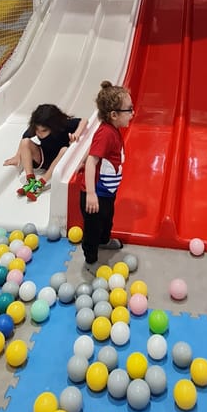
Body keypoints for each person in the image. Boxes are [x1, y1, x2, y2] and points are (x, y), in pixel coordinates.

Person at [79, 79, 133, 274]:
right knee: (92, 228)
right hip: (96, 195)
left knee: (107, 219)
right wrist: (91, 194)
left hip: (107, 192)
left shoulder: (113, 130)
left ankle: (104, 241)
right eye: (129, 109)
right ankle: (90, 259)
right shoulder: (106, 134)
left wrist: (82, 160)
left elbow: (92, 152)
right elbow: (94, 160)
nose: (132, 113)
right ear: (114, 115)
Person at [3, 103, 87, 200]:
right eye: (37, 130)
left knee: (64, 150)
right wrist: (18, 155)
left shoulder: (64, 125)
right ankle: (31, 180)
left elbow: (84, 121)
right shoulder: (37, 127)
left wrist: (77, 133)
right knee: (25, 142)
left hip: (60, 161)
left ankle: (41, 183)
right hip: (44, 157)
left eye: (44, 131)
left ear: (54, 126)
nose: (39, 133)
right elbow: (25, 138)